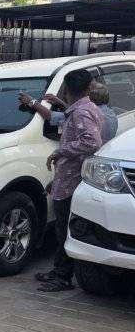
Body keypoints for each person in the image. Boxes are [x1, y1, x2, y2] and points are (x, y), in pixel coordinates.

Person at [32, 69, 103, 292]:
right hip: (68, 178)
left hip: (73, 181)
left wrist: (61, 151)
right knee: (63, 229)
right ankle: (59, 271)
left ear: (66, 88)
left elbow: (92, 142)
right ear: (88, 88)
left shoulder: (82, 112)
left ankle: (62, 277)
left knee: (65, 230)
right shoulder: (82, 109)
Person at [18, 81, 118, 143]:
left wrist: (32, 102)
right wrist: (61, 103)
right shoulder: (111, 113)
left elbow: (51, 116)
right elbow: (74, 111)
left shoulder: (85, 115)